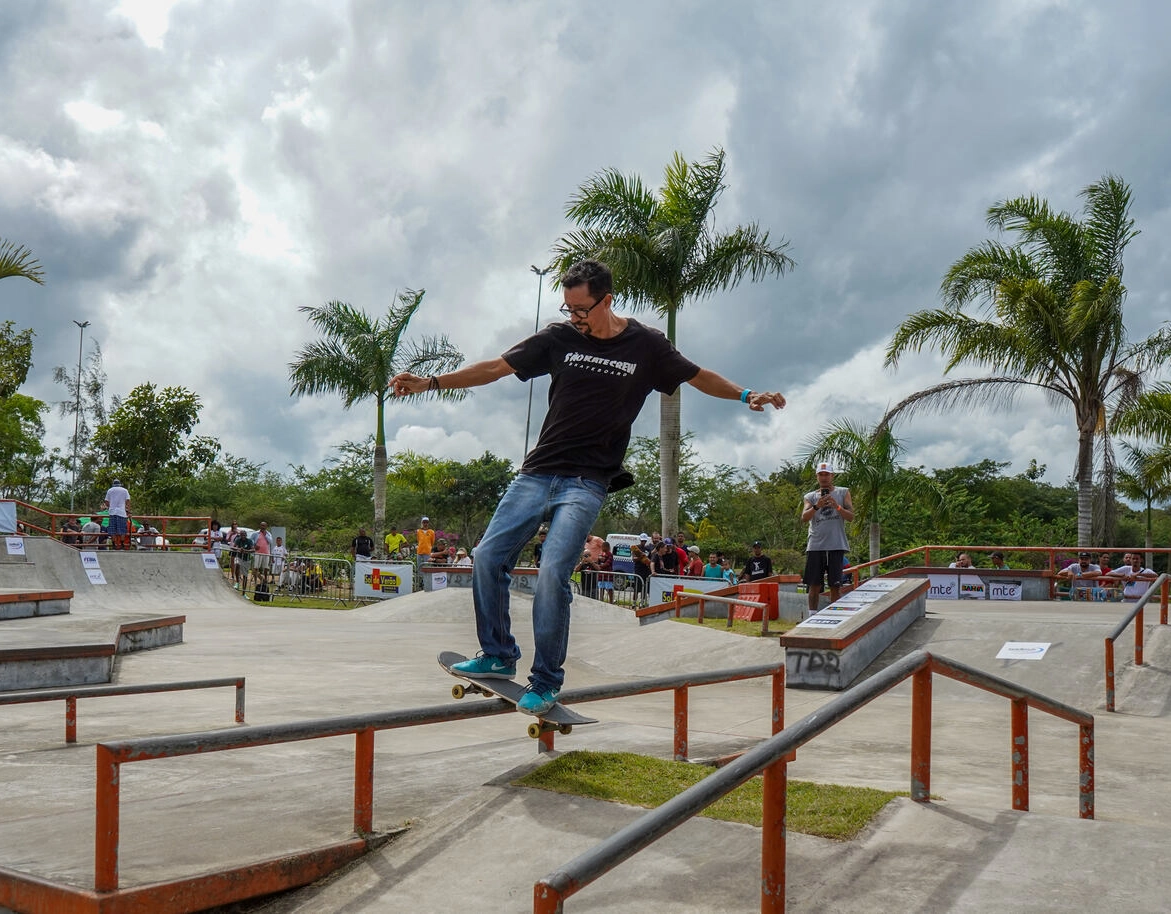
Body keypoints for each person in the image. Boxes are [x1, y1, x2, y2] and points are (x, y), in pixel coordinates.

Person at [390, 258, 786, 714]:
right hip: (537, 472)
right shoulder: (558, 338)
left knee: (556, 570)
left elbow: (697, 376)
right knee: (486, 557)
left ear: (607, 300)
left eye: (581, 309)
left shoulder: (646, 345)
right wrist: (432, 382)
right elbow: (496, 368)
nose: (573, 317)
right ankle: (498, 654)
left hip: (587, 481)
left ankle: (546, 679)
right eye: (568, 307)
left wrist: (744, 395)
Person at [801, 461, 855, 616]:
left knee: (835, 585)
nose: (824, 478)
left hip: (836, 544)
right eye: (821, 474)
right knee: (814, 584)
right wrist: (817, 506)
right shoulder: (810, 497)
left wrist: (837, 506)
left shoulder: (843, 492)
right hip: (816, 545)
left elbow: (851, 516)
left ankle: (835, 616)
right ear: (817, 476)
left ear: (832, 475)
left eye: (827, 474)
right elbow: (804, 517)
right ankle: (812, 615)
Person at [102, 478, 132, 550]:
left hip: (112, 512)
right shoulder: (124, 490)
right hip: (121, 512)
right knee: (122, 529)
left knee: (112, 529)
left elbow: (106, 501)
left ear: (113, 484)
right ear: (120, 484)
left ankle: (113, 544)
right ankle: (121, 543)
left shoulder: (110, 490)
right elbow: (128, 501)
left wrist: (110, 506)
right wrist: (128, 510)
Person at [231, 526, 253, 591]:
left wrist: (246, 551)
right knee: (237, 565)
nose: (243, 536)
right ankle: (237, 582)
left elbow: (253, 549)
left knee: (245, 575)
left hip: (246, 559)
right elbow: (233, 547)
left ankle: (244, 592)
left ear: (246, 535)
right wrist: (239, 549)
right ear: (240, 535)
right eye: (241, 535)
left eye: (244, 535)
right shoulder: (238, 540)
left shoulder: (249, 541)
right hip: (239, 557)